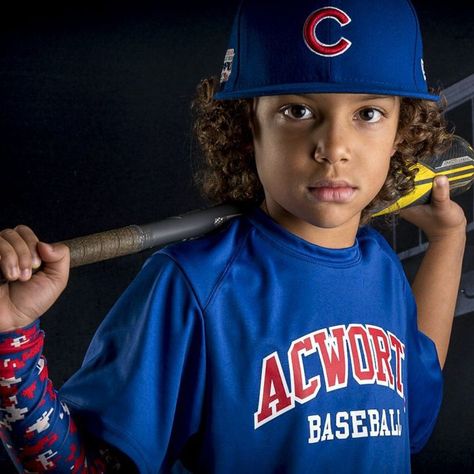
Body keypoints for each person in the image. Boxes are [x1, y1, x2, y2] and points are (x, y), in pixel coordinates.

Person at [0, 0, 467, 472]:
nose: (334, 149)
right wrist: (10, 340)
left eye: (368, 114)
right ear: (247, 127)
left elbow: (415, 411)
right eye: (297, 109)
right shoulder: (194, 284)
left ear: (401, 132)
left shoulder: (380, 264)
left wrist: (449, 241)